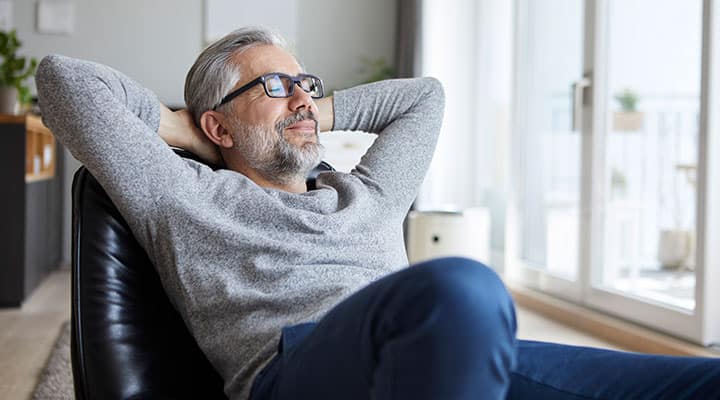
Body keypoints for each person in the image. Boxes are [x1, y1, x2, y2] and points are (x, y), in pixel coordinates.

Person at [37, 27, 719, 400]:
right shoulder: (187, 197)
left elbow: (425, 96)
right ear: (218, 126)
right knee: (460, 287)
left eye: (308, 84)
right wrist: (189, 131)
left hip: (444, 353)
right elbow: (65, 80)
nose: (303, 97)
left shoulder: (367, 191)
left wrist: (304, 111)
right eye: (275, 86)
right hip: (300, 370)